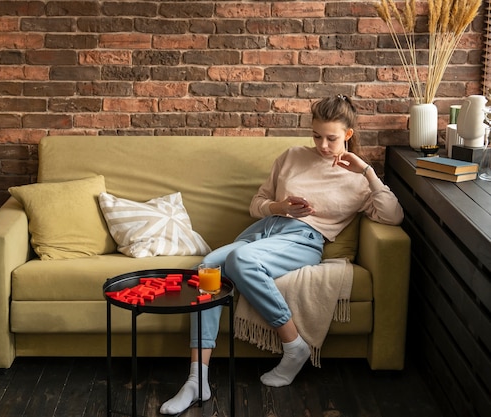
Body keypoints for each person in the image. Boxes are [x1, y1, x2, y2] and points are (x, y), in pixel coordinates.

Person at [160, 95, 404, 415]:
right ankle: (197, 381)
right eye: (316, 135)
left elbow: (392, 216)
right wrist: (280, 207)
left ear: (348, 134)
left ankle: (294, 345)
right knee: (206, 268)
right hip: (263, 230)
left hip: (303, 240)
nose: (322, 145)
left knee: (240, 260)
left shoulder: (359, 181)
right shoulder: (292, 156)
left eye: (331, 138)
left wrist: (369, 172)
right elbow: (257, 203)